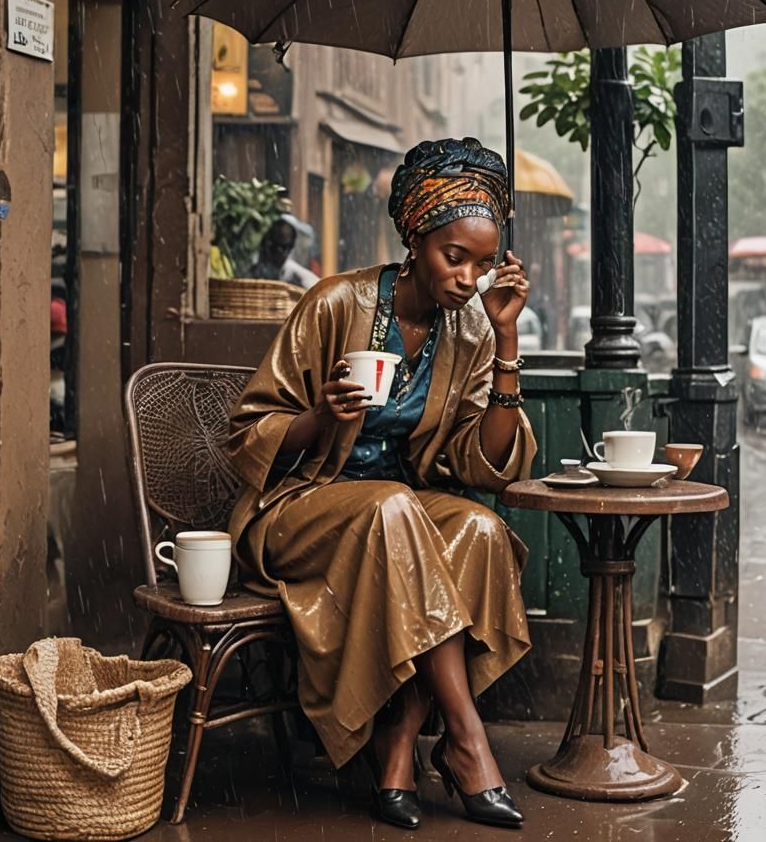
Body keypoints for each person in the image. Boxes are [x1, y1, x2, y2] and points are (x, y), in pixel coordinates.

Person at [227, 137, 536, 830]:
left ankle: (398, 746)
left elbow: (480, 461)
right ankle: (467, 741)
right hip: (297, 509)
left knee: (480, 531)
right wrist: (317, 417)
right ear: (415, 237)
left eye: (483, 266)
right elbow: (247, 437)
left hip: (394, 521)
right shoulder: (336, 303)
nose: (467, 278)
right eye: (453, 257)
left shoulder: (473, 330)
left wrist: (507, 342)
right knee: (396, 509)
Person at [247, 214, 320, 288]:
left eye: (287, 247)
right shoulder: (254, 268)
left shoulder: (297, 275)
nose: (281, 252)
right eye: (276, 246)